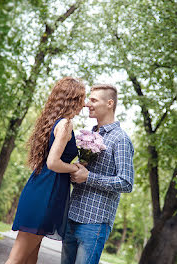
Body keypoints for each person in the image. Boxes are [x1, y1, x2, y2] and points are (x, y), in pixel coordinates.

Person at [5, 76, 85, 264]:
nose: (84, 104)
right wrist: (74, 167)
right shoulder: (65, 124)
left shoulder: (53, 122)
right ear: (72, 99)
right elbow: (53, 163)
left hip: (43, 190)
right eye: (82, 98)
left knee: (31, 257)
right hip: (46, 195)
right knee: (16, 259)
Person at [61, 84, 134, 264]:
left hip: (94, 223)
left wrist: (89, 177)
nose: (87, 104)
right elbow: (83, 173)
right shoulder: (89, 134)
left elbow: (126, 182)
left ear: (110, 103)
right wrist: (76, 172)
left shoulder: (121, 139)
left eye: (93, 100)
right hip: (72, 216)